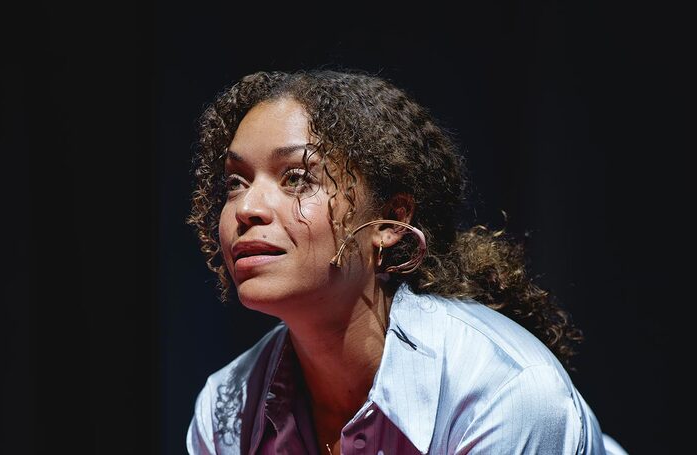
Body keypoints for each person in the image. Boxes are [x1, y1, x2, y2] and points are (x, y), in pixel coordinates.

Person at [184, 69, 628, 454]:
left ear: (390, 220)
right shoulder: (226, 406)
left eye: (297, 178)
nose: (247, 208)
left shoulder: (502, 392)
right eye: (235, 182)